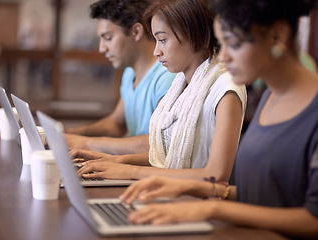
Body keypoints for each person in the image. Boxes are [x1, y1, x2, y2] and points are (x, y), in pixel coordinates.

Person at [118, 0, 318, 238]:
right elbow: (265, 195)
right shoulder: (270, 99)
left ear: (278, 36)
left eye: (232, 43)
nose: (223, 55)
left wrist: (212, 207)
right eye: (221, 43)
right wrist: (194, 187)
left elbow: (312, 219)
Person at [74, 0, 247, 183]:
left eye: (163, 40)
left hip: (196, 203)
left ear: (195, 35)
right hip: (171, 193)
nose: (156, 51)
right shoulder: (182, 85)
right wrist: (115, 161)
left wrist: (129, 171)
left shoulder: (225, 87)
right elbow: (166, 155)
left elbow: (216, 175)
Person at [65, 0, 176, 155]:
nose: (102, 48)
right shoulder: (130, 72)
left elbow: (161, 144)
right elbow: (116, 124)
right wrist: (72, 133)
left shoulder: (167, 77)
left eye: (108, 38)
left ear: (136, 32)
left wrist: (87, 143)